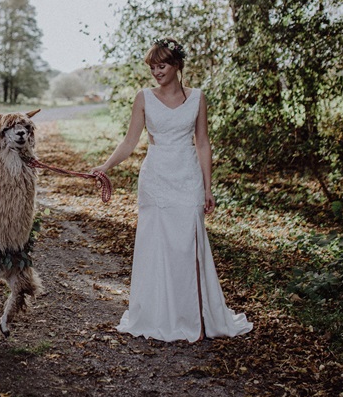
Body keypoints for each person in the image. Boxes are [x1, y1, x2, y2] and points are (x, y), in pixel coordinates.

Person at [90, 37, 252, 342]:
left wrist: (208, 187)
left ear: (177, 65)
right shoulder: (144, 97)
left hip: (188, 177)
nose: (156, 72)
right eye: (152, 66)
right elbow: (129, 142)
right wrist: (105, 167)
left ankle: (195, 316)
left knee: (188, 244)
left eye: (161, 65)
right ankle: (159, 314)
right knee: (158, 246)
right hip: (156, 179)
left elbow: (203, 143)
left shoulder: (198, 98)